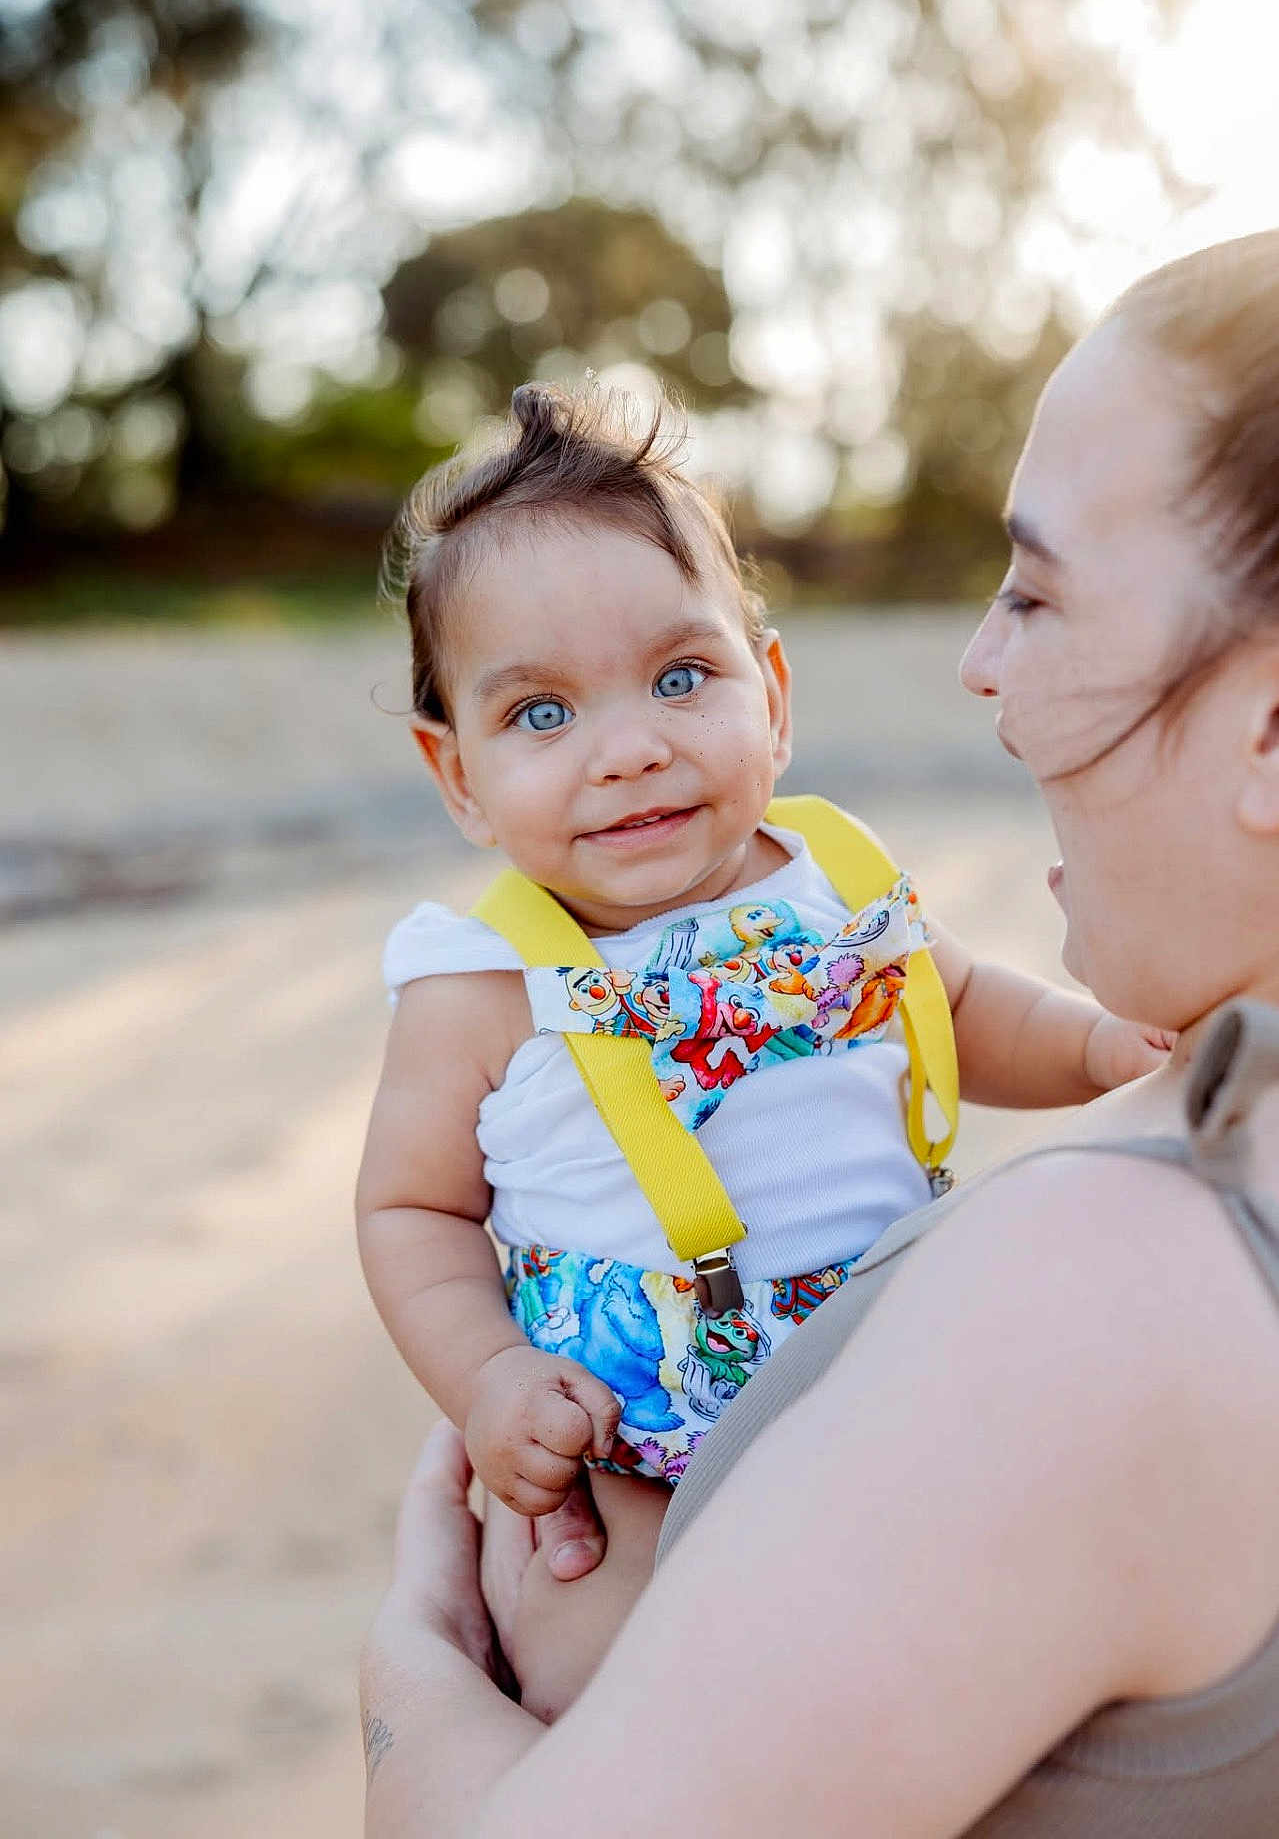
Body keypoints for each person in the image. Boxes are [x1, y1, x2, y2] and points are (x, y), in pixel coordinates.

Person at [358, 230, 1279, 1836]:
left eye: (681, 677)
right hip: (628, 1436)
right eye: (542, 715)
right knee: (594, 1627)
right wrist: (493, 1375)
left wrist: (411, 1707)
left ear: (772, 696)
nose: (628, 751)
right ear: (457, 777)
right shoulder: (482, 981)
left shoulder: (834, 879)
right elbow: (411, 1206)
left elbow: (957, 1007)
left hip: (829, 1341)